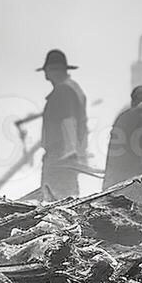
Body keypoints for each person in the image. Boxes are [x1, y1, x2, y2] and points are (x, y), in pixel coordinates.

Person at [37, 48, 87, 198]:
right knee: (68, 200)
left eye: (47, 71)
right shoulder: (72, 88)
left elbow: (68, 122)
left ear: (53, 70)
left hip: (60, 159)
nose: (46, 75)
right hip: (66, 158)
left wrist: (68, 156)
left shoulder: (63, 92)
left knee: (56, 202)